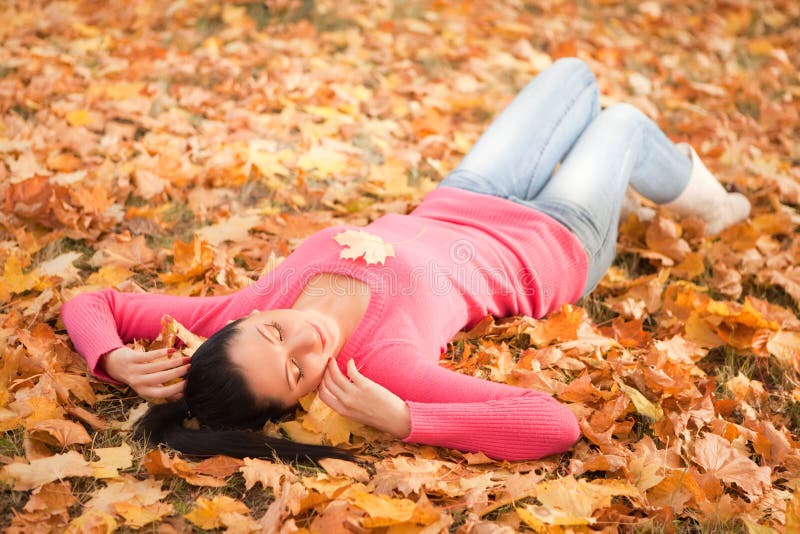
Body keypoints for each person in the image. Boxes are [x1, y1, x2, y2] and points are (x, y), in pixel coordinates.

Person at [61, 58, 751, 463]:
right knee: (621, 123)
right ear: (305, 397)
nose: (308, 342)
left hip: (465, 195)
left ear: (250, 317)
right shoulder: (381, 367)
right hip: (552, 242)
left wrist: (113, 358)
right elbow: (553, 424)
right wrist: (403, 418)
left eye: (276, 333)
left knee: (573, 75)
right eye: (300, 373)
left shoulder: (238, 308)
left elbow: (94, 303)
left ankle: (632, 191)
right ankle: (708, 203)